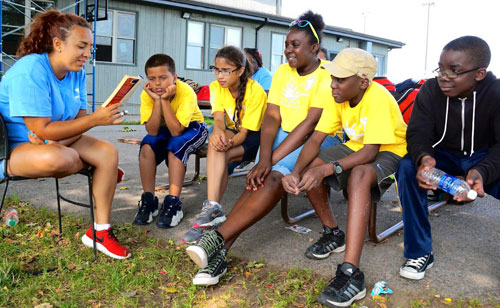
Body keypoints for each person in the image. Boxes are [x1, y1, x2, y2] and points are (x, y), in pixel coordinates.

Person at [185, 10, 341, 286]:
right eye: (286, 44)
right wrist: (263, 158)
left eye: (295, 45)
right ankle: (220, 252)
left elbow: (310, 124)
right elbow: (272, 118)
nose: (288, 50)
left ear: (314, 47)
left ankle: (216, 239)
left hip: (319, 137)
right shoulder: (282, 72)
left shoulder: (326, 74)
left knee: (274, 176)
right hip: (284, 135)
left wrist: (271, 161)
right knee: (257, 179)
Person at [281, 47, 407, 307]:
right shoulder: (335, 96)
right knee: (308, 168)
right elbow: (316, 138)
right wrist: (296, 172)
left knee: (359, 174)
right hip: (359, 146)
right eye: (332, 78)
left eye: (340, 79)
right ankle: (333, 232)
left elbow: (372, 151)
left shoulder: (378, 98)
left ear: (362, 82)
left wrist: (327, 169)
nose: (333, 85)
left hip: (391, 149)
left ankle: (351, 272)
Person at [0, 10, 130, 259]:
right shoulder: (30, 70)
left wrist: (87, 122)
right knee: (62, 159)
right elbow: (44, 129)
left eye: (90, 47)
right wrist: (93, 120)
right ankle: (103, 172)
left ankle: (100, 232)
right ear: (58, 44)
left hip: (54, 140)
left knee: (107, 152)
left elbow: (79, 121)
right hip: (15, 148)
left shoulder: (76, 71)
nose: (87, 54)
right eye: (81, 46)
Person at [396, 36, 500, 280]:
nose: (444, 76)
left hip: (485, 158)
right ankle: (419, 251)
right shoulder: (430, 90)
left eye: (455, 71)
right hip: (443, 157)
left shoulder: (496, 93)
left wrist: (483, 171)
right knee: (407, 168)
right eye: (441, 69)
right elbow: (418, 133)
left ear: (479, 73)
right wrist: (424, 159)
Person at [182, 46, 267, 244]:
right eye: (216, 69)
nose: (219, 75)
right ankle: (212, 211)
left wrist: (227, 142)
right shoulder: (216, 87)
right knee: (215, 146)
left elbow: (246, 133)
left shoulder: (256, 93)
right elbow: (219, 120)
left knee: (221, 153)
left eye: (225, 70)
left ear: (240, 71)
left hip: (255, 138)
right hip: (232, 132)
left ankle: (212, 211)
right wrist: (218, 136)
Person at [133, 54, 208, 229]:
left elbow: (177, 131)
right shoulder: (147, 94)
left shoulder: (185, 91)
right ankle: (149, 199)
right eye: (152, 79)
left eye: (163, 78)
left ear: (174, 78)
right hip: (165, 128)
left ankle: (173, 203)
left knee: (175, 147)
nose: (157, 83)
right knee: (147, 146)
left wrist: (165, 100)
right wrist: (157, 101)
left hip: (193, 127)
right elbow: (152, 131)